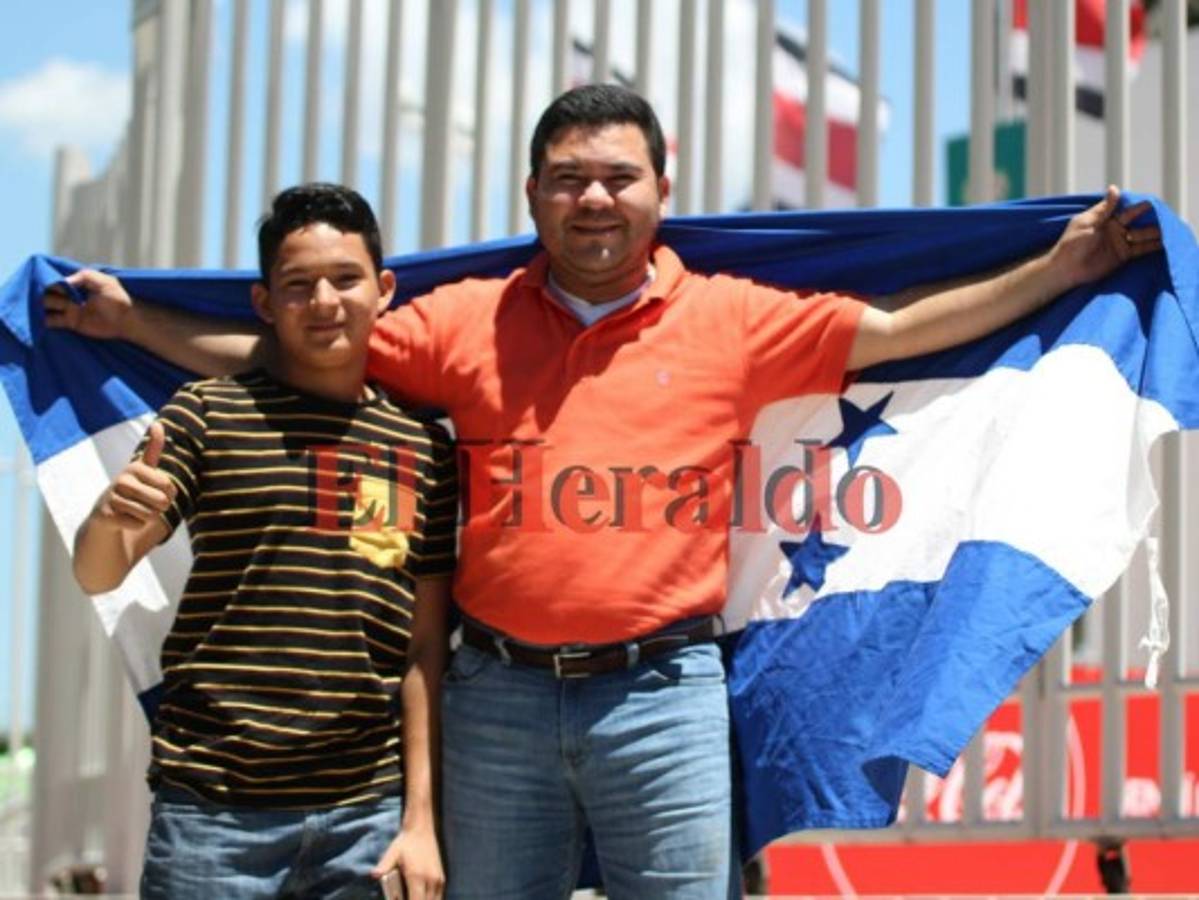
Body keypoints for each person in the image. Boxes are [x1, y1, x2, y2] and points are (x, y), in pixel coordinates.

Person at [46, 85, 1161, 900]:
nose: (592, 198)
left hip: (663, 696)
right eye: (568, 178)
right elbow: (298, 349)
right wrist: (128, 324)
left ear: (659, 191)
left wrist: (1057, 271)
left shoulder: (730, 317)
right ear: (532, 194)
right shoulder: (459, 321)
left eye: (617, 177)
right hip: (493, 703)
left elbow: (900, 330)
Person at [65, 184, 456, 900]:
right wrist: (111, 519)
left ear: (385, 289)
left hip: (366, 823)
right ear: (265, 304)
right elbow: (98, 573)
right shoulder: (207, 414)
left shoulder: (422, 450)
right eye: (298, 285)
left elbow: (424, 650)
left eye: (345, 279)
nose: (325, 302)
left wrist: (420, 822)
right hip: (212, 818)